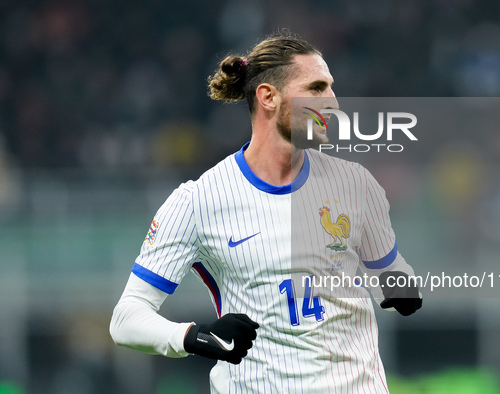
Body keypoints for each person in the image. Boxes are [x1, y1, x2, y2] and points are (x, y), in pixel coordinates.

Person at [110, 32, 422, 393]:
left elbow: (390, 270)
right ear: (268, 97)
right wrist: (196, 336)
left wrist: (401, 284)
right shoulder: (199, 201)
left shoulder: (355, 184)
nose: (333, 103)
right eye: (317, 88)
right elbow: (126, 319)